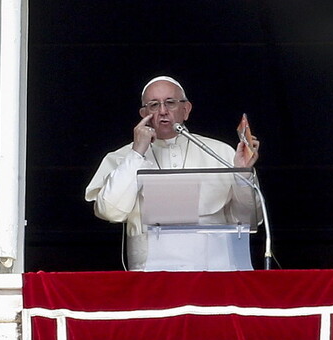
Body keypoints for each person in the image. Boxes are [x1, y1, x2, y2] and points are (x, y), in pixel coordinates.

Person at [85, 76, 261, 270]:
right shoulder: (121, 157)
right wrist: (136, 154)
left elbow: (248, 219)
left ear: (186, 110)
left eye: (170, 103)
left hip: (214, 271)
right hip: (149, 274)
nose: (162, 111)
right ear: (143, 113)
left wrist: (242, 173)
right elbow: (109, 211)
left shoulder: (221, 152)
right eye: (153, 105)